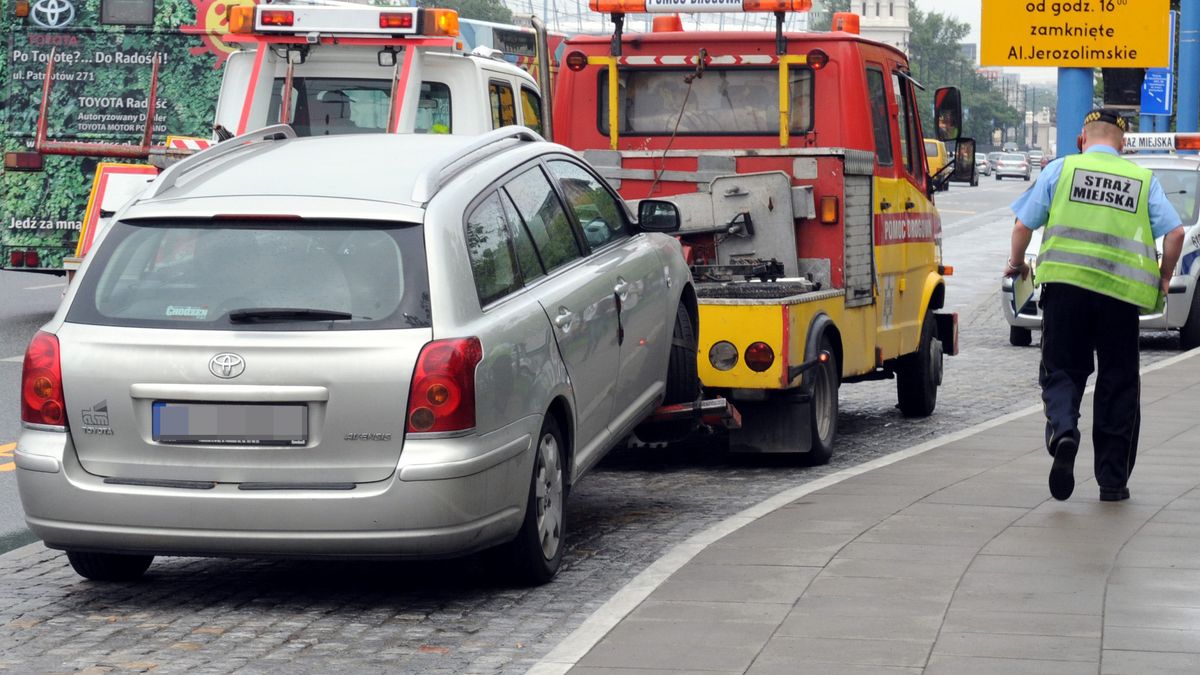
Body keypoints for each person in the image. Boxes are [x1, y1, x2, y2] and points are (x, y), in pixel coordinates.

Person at [1005, 108, 1185, 502]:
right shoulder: (1141, 179)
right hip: (1120, 299)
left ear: (1081, 140)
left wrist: (1016, 265)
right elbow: (1175, 233)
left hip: (1066, 292)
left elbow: (1023, 226)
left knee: (1062, 371)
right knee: (1118, 382)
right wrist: (1166, 276)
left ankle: (1064, 430)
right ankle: (1112, 481)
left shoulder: (1061, 170)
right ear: (1122, 145)